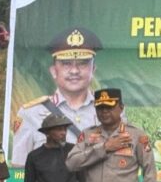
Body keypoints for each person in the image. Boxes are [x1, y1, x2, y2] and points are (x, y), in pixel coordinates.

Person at [11, 27, 103, 165]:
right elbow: (20, 169)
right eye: (66, 64)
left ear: (93, 70)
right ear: (54, 71)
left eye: (82, 64)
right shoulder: (31, 113)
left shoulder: (108, 110)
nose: (74, 71)